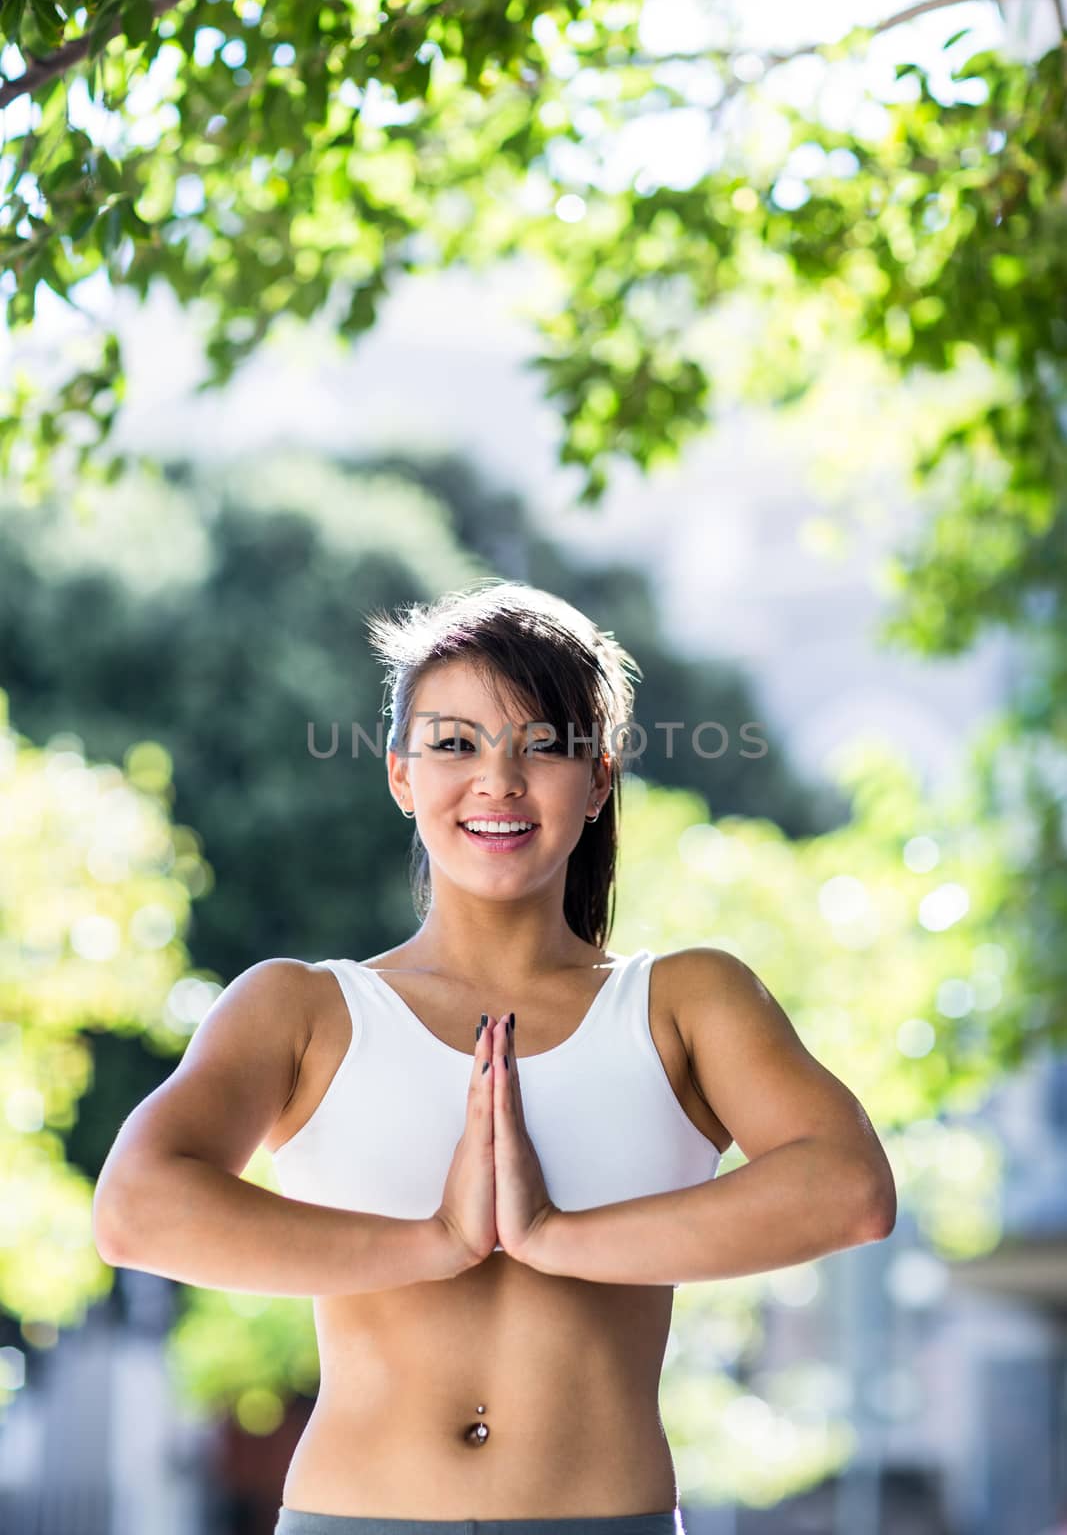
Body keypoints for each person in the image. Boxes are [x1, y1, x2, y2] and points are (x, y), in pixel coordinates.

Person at [92, 579, 895, 1535]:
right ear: (400, 775)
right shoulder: (301, 1007)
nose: (498, 782)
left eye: (543, 746)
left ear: (598, 778)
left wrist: (553, 1236)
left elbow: (851, 1192)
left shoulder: (685, 1001)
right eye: (455, 744)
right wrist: (437, 1242)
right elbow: (135, 1211)